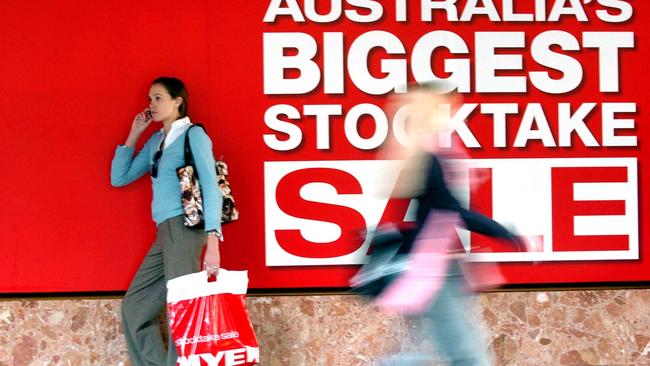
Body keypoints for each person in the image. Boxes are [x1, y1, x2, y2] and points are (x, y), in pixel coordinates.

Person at [374, 82, 533, 366]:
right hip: (432, 268)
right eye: (445, 105)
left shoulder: (438, 149)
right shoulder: (429, 155)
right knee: (467, 357)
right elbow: (451, 210)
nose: (453, 110)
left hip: (443, 265)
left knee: (416, 352)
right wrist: (507, 234)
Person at [111, 77, 223, 366]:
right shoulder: (156, 140)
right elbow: (119, 178)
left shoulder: (193, 134)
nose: (152, 104)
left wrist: (213, 240)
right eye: (150, 99)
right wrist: (135, 132)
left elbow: (211, 187)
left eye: (159, 98)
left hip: (185, 229)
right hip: (165, 232)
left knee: (181, 308)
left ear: (178, 101)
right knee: (135, 307)